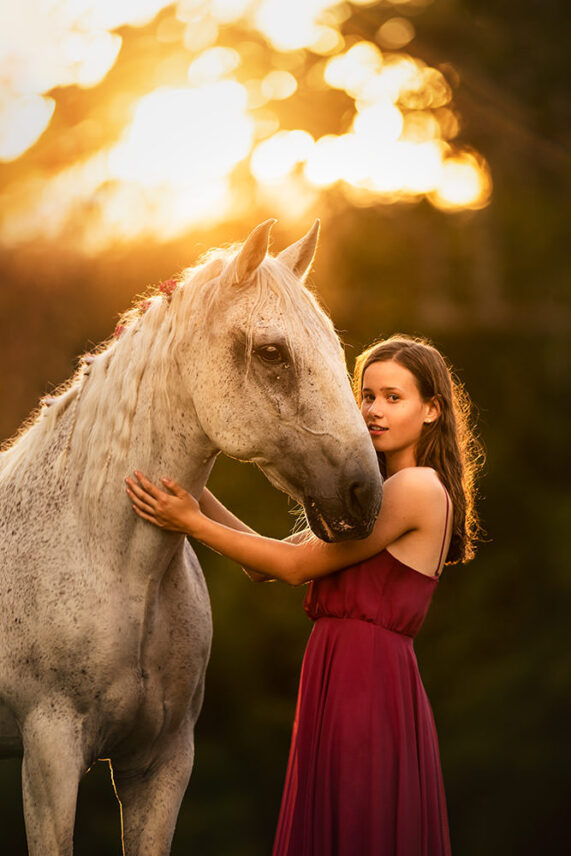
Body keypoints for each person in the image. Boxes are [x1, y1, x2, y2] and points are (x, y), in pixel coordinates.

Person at [125, 334, 483, 856]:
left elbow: (293, 568)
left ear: (432, 410)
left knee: (357, 824)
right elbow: (262, 564)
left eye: (394, 397)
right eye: (367, 396)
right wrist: (191, 488)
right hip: (340, 671)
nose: (374, 410)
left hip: (368, 681)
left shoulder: (417, 488)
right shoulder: (379, 496)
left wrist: (191, 523)